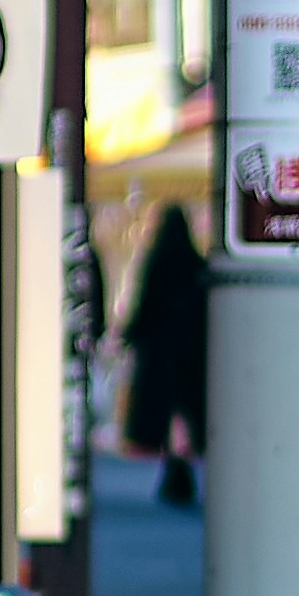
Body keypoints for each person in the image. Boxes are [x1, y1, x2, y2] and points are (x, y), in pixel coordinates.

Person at [120, 205, 210, 508]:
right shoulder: (196, 265)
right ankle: (182, 467)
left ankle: (174, 469)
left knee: (165, 416)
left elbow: (144, 308)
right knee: (187, 416)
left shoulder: (157, 264)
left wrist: (131, 336)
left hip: (160, 358)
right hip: (192, 359)